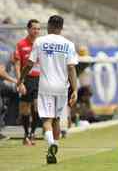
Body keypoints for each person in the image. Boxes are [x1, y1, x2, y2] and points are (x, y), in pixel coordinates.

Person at [17, 15, 78, 164]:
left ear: (49, 26)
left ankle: (51, 144)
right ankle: (53, 150)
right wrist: (75, 89)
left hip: (45, 86)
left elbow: (30, 64)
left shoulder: (40, 41)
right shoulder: (68, 44)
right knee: (57, 119)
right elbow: (71, 68)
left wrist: (21, 79)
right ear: (61, 28)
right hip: (62, 87)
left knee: (46, 120)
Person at [15, 19, 41, 146]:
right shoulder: (21, 44)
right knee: (25, 109)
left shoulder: (41, 44)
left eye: (38, 29)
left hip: (39, 79)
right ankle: (26, 135)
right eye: (34, 28)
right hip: (26, 79)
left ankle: (32, 133)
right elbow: (17, 64)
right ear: (28, 29)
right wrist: (20, 82)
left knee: (37, 107)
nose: (36, 31)